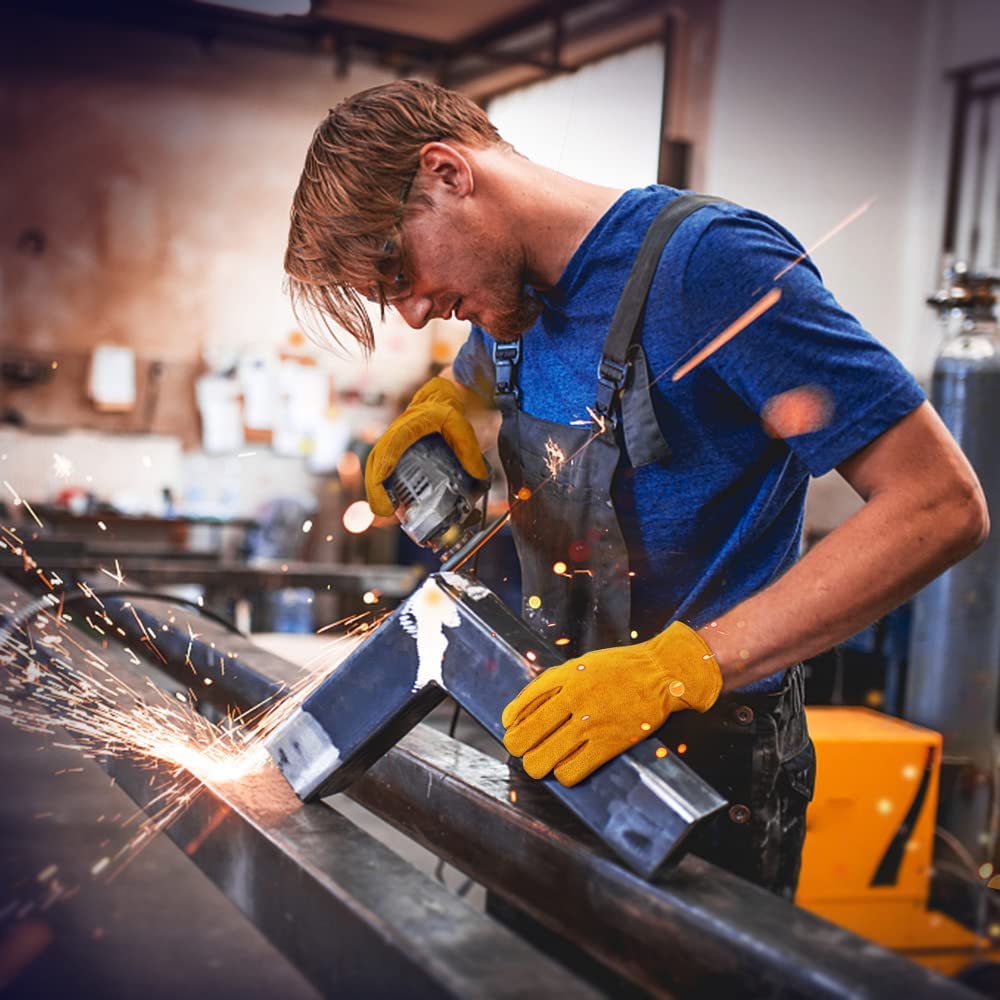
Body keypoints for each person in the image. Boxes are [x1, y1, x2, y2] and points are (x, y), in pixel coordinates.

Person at [283, 79, 988, 899]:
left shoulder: (712, 267)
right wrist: (447, 402)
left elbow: (940, 504)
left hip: (706, 773)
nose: (411, 315)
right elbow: (494, 374)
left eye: (398, 272)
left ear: (447, 172)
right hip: (555, 735)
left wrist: (678, 668)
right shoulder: (508, 301)